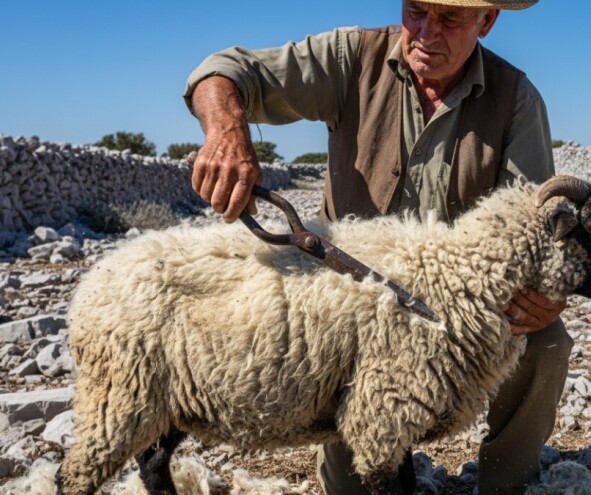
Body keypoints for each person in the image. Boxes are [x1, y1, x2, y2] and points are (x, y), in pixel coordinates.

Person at [183, 1, 571, 493]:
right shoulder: (352, 58)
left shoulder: (516, 99)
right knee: (359, 482)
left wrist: (547, 293)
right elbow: (223, 71)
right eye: (416, 11)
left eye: (449, 19)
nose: (426, 32)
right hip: (347, 303)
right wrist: (226, 128)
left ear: (487, 22)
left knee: (544, 339)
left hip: (452, 304)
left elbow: (533, 223)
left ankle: (505, 481)